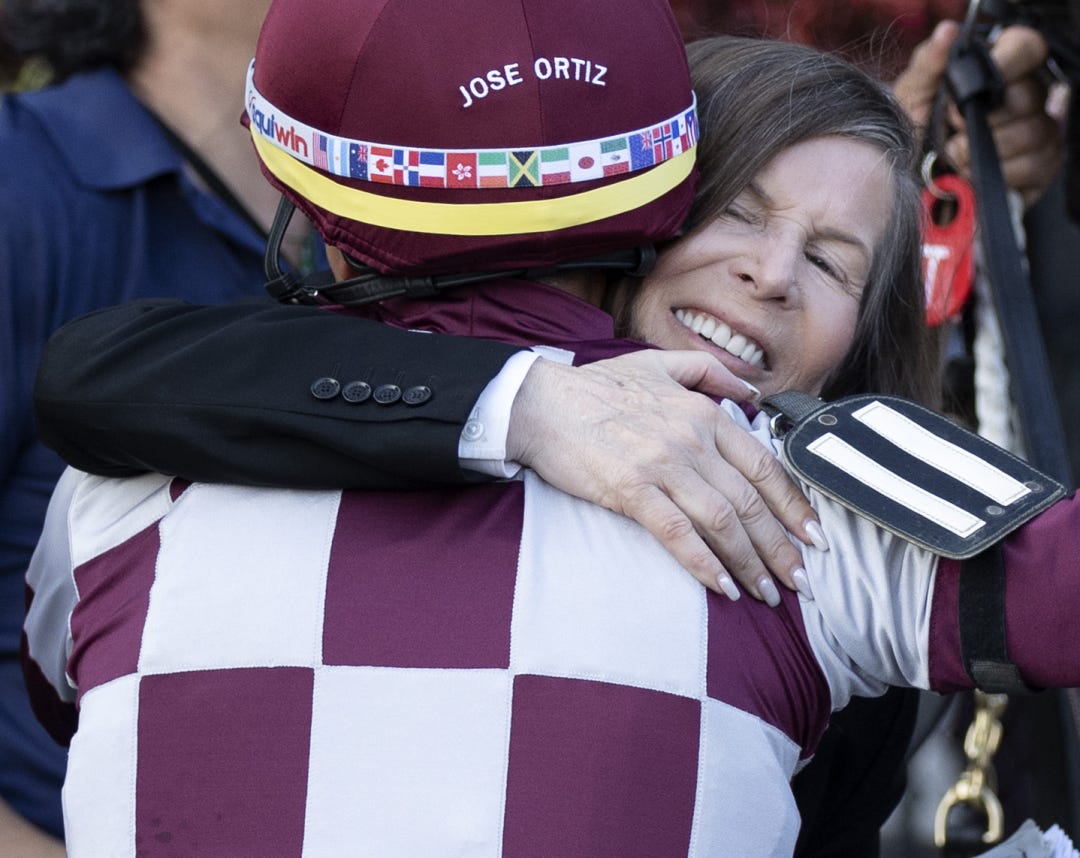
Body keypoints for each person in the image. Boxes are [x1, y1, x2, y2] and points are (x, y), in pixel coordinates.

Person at [24, 2, 1080, 851]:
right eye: (739, 211)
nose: (771, 273)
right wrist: (525, 403)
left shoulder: (813, 510)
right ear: (645, 212)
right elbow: (95, 374)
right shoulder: (169, 444)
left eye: (834, 262)